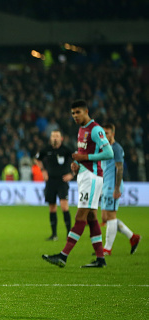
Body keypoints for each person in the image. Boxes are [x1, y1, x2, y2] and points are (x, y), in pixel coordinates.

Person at [43, 100, 114, 268]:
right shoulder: (81, 130)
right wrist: (77, 166)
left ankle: (63, 256)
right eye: (73, 113)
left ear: (86, 111)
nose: (75, 116)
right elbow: (84, 154)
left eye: (77, 112)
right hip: (84, 174)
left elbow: (109, 153)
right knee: (91, 217)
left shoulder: (95, 129)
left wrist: (85, 159)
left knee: (80, 216)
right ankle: (100, 259)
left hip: (92, 177)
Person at [99, 123, 141, 255]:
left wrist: (116, 188)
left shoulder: (116, 148)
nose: (105, 135)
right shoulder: (104, 147)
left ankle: (107, 249)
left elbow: (120, 168)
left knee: (111, 216)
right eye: (103, 133)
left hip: (113, 185)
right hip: (106, 185)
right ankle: (133, 237)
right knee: (105, 217)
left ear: (113, 134)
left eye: (107, 133)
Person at [35, 130, 74, 241]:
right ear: (50, 138)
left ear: (61, 138)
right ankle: (54, 235)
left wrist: (71, 174)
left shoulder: (66, 150)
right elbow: (37, 158)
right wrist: (43, 170)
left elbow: (78, 161)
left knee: (64, 206)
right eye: (53, 136)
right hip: (50, 182)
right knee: (52, 207)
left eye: (57, 136)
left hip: (62, 182)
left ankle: (69, 235)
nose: (55, 138)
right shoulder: (46, 150)